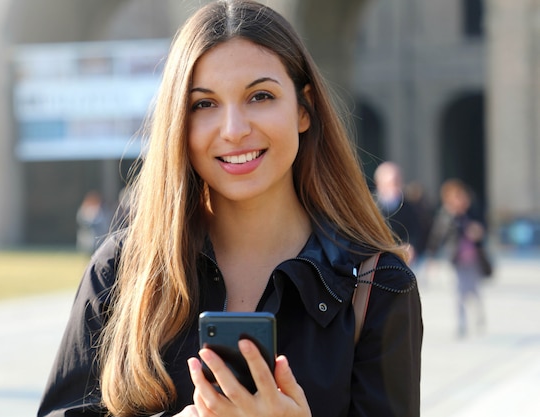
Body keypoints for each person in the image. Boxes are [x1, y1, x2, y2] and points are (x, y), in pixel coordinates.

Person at [37, 2, 423, 416]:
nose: (234, 130)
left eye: (260, 96)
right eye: (204, 104)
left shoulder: (377, 287)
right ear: (178, 123)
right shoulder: (120, 271)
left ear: (303, 109)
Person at [426, 178, 487, 338]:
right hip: (456, 260)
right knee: (459, 292)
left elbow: (482, 231)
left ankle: (478, 318)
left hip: (472, 259)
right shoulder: (446, 217)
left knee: (473, 290)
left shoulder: (471, 213)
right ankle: (461, 324)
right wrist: (431, 258)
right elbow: (436, 237)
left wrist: (478, 232)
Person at [373, 161, 427, 265]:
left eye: (398, 182)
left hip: (403, 259)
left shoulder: (409, 206)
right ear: (379, 183)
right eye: (391, 183)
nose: (395, 187)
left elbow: (416, 230)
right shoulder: (370, 206)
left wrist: (411, 246)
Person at [75, 190, 110, 255]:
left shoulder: (102, 211)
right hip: (88, 238)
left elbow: (103, 225)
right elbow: (82, 221)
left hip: (99, 239)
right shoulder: (85, 209)